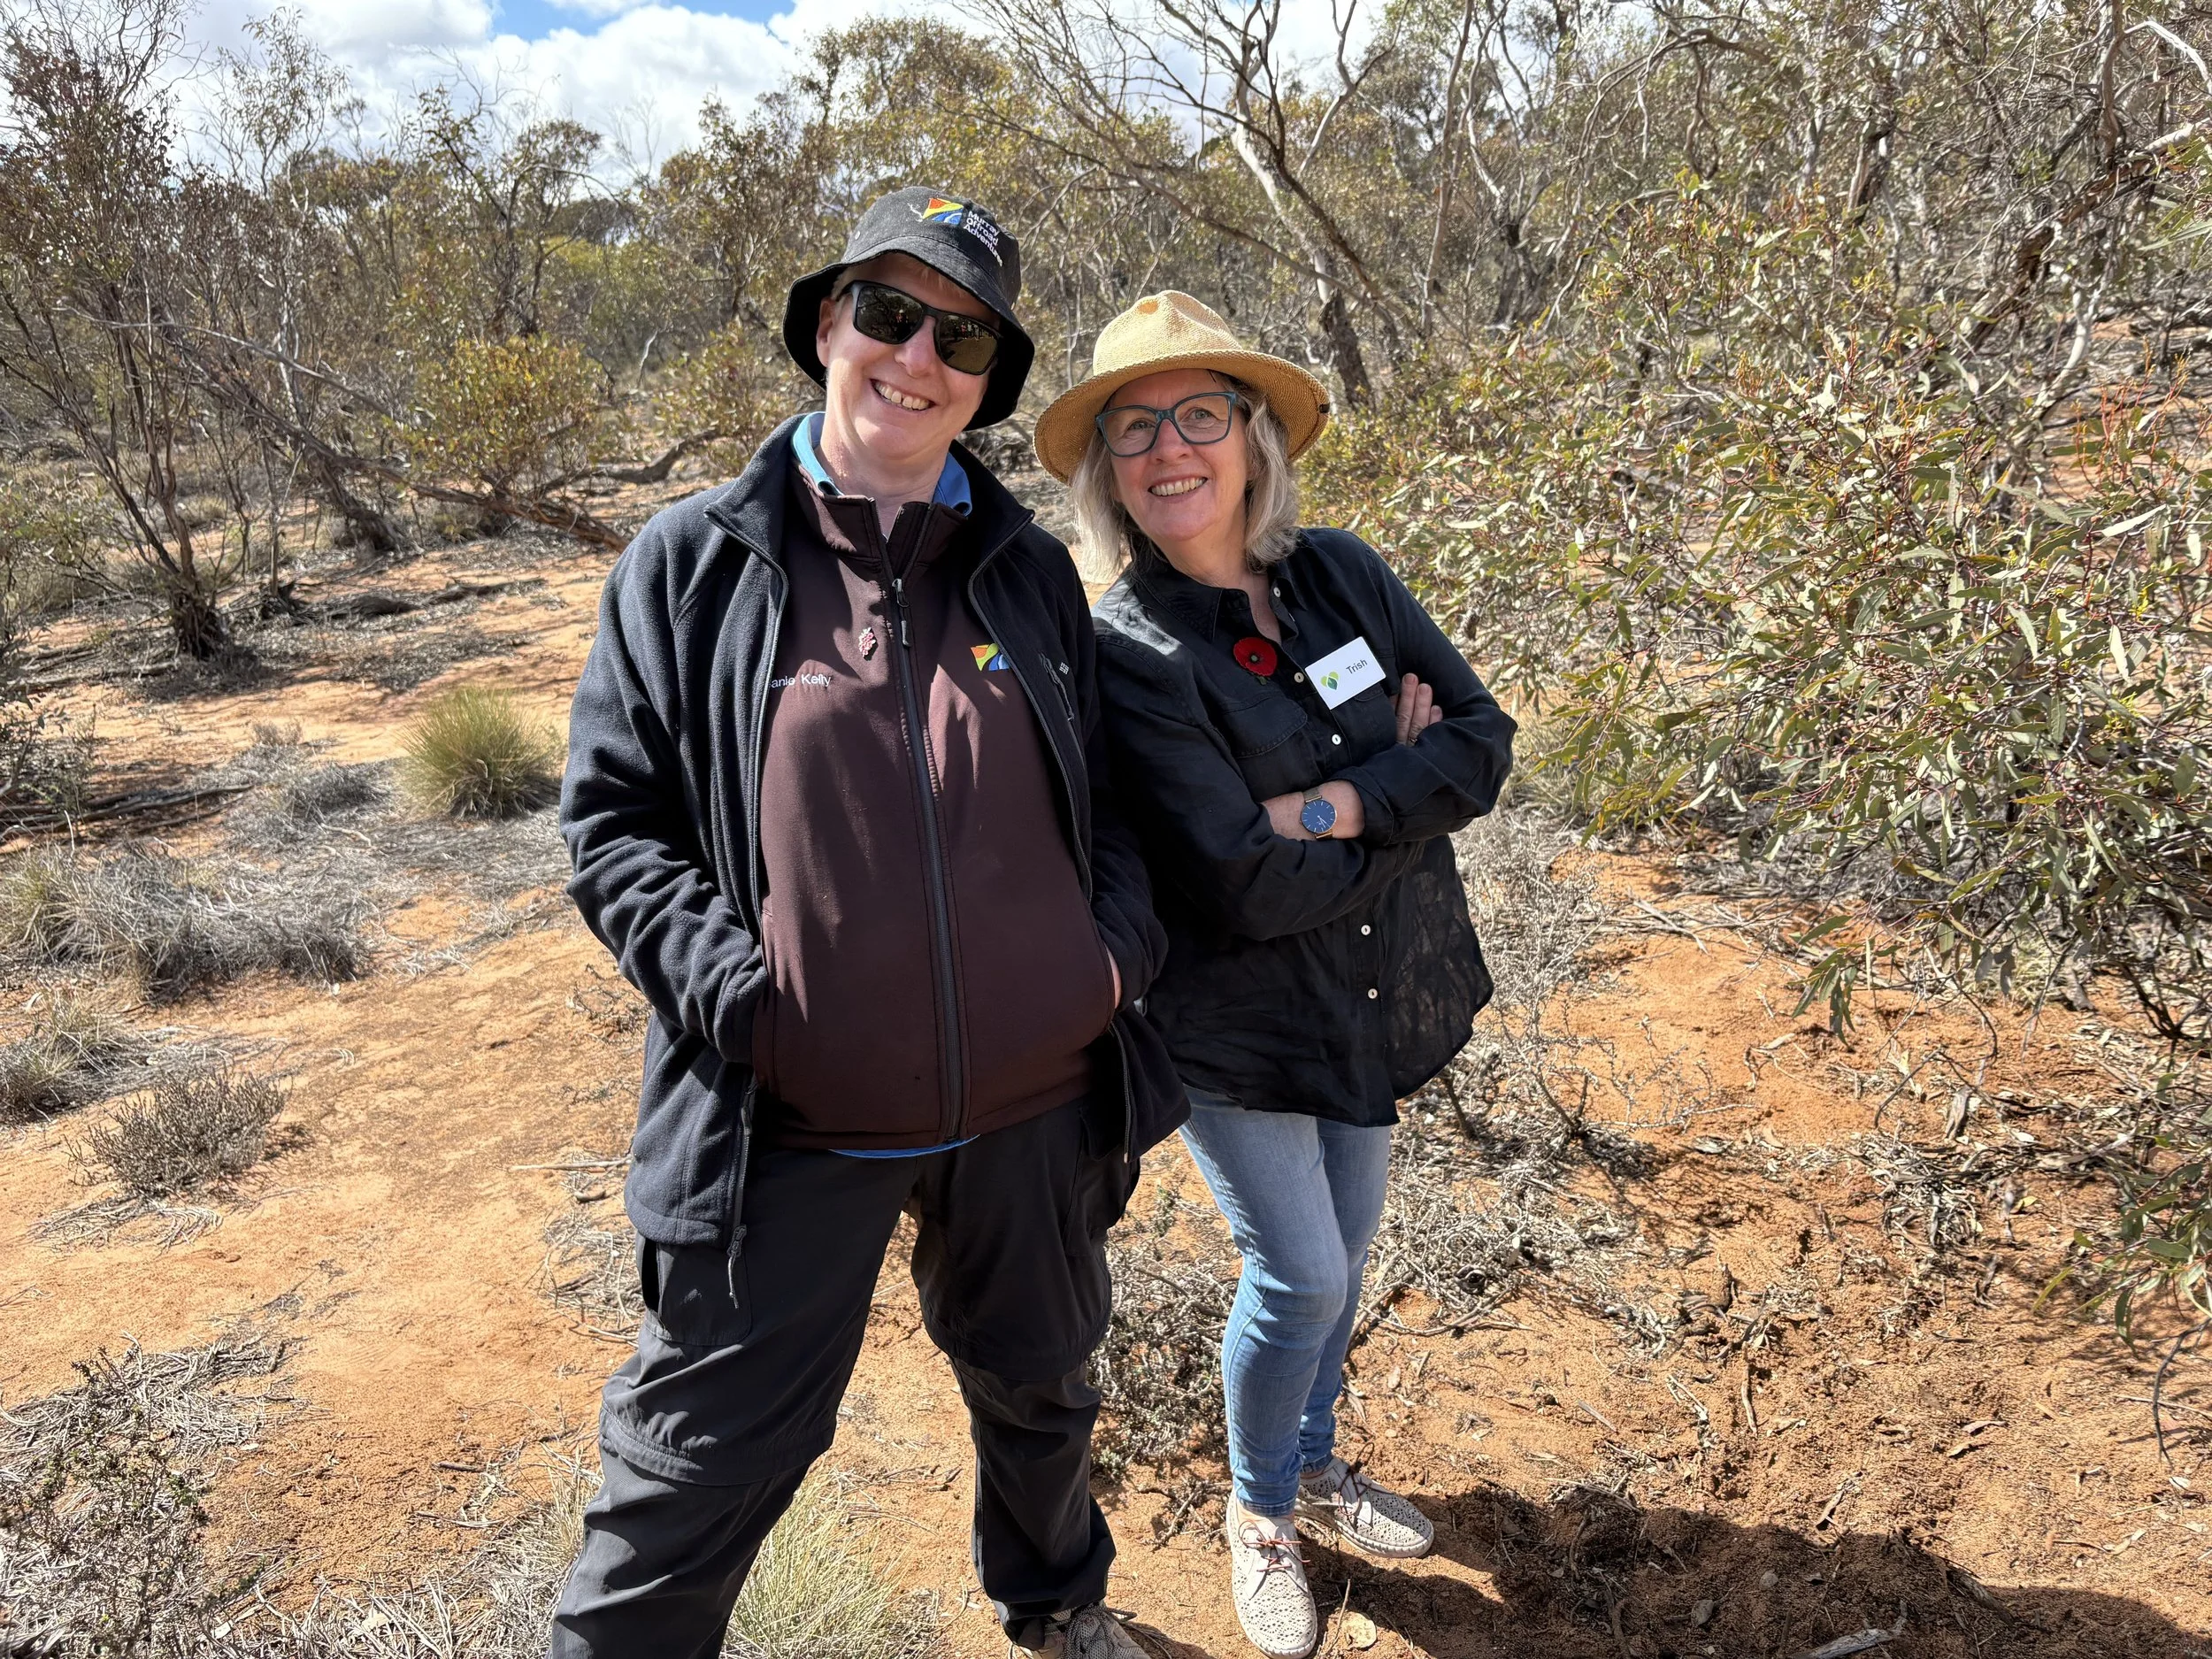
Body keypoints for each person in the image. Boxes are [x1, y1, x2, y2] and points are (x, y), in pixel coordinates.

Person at [552, 188, 1186, 1659]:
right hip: (790, 1121)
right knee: (692, 1469)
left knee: (1043, 1383)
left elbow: (1121, 815)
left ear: (987, 381)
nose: (918, 358)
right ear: (828, 324)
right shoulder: (697, 563)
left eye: (961, 337)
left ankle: (1058, 1603)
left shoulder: (1025, 569)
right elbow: (613, 826)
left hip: (1032, 1110)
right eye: (889, 314)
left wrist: (1104, 966)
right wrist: (751, 1000)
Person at [1034, 292, 1517, 1659]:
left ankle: (1313, 1459)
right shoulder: (1134, 645)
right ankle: (1260, 1516)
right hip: (1236, 1017)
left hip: (1369, 987)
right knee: (1298, 1270)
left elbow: (1479, 734)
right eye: (1135, 429)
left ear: (1251, 436)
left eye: (1200, 416)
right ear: (1108, 470)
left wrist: (1335, 804)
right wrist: (1395, 793)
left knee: (1348, 1255)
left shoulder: (1345, 573)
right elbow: (1242, 880)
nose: (1169, 450)